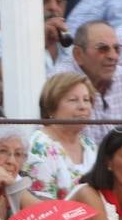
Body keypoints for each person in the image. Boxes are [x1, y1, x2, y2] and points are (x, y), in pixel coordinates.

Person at [24, 72, 97, 201]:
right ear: (51, 107)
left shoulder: (90, 145)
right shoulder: (39, 146)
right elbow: (42, 205)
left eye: (86, 100)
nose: (83, 107)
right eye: (73, 100)